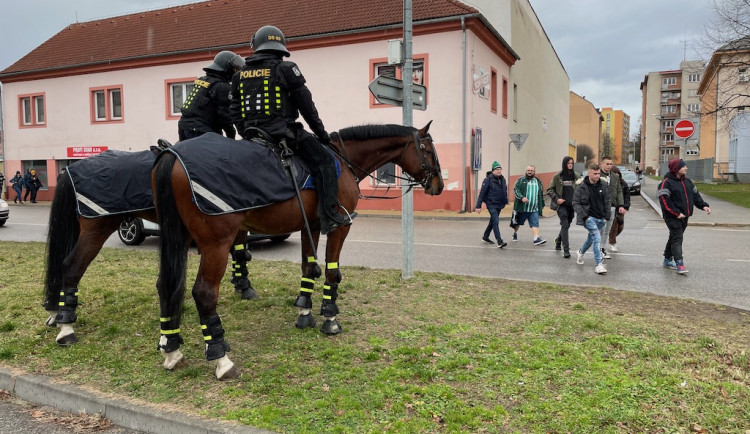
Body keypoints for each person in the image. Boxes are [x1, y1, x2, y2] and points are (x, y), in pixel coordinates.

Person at [231, 25, 354, 235]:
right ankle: (329, 216)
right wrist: (322, 135)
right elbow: (307, 107)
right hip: (285, 135)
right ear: (280, 49)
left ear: (257, 47)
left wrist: (247, 133)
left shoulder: (239, 76)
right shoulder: (286, 69)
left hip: (253, 136)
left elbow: (234, 111)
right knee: (325, 162)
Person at [658, 159, 711, 274]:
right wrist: (676, 213)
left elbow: (696, 196)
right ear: (676, 168)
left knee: (674, 237)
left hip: (684, 216)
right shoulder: (666, 183)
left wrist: (704, 206)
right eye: (683, 166)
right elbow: (664, 201)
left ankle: (667, 259)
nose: (686, 168)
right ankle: (680, 264)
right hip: (672, 217)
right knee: (677, 238)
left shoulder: (688, 182)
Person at [178, 50, 245, 141]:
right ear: (227, 68)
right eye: (234, 69)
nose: (235, 71)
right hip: (201, 131)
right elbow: (225, 117)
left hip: (184, 126)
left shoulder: (203, 80)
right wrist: (231, 137)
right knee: (218, 154)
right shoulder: (222, 87)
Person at [572, 163, 611, 275]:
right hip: (589, 218)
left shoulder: (603, 185)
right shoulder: (581, 187)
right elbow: (575, 203)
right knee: (597, 238)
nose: (597, 176)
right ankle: (599, 264)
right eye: (595, 173)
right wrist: (585, 217)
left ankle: (580, 252)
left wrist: (607, 216)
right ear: (589, 173)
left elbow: (608, 201)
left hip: (601, 218)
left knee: (592, 238)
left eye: (598, 173)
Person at [546, 156, 580, 258]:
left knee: (567, 225)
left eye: (572, 163)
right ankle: (566, 250)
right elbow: (550, 190)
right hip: (561, 206)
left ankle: (558, 240)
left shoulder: (577, 176)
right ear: (564, 164)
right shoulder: (558, 176)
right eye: (568, 163)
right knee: (565, 225)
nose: (570, 165)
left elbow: (581, 189)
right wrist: (557, 199)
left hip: (572, 206)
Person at [509, 165, 546, 245]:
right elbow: (516, 189)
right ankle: (515, 233)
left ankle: (536, 239)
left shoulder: (538, 181)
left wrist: (542, 204)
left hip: (534, 208)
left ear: (534, 172)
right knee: (518, 223)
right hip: (522, 208)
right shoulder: (521, 180)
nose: (529, 172)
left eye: (531, 170)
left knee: (535, 223)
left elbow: (540, 194)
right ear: (526, 171)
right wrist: (522, 198)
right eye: (528, 170)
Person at [475, 161, 509, 248]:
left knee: (492, 221)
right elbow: (482, 194)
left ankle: (485, 237)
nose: (499, 171)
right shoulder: (488, 180)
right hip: (491, 203)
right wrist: (478, 206)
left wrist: (505, 200)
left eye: (500, 169)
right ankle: (499, 241)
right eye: (497, 169)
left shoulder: (503, 179)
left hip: (500, 204)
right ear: (493, 170)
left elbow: (504, 191)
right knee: (496, 222)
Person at [598, 157, 625, 259]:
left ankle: (602, 249)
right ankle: (598, 248)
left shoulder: (615, 176)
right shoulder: (598, 175)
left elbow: (619, 191)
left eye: (611, 164)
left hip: (612, 206)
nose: (609, 166)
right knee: (600, 228)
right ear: (602, 164)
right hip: (600, 206)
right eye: (607, 164)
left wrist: (621, 205)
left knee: (607, 229)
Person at [607, 166, 630, 252]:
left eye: (618, 174)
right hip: (612, 207)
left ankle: (609, 237)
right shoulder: (609, 183)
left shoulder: (623, 183)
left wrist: (626, 207)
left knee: (621, 227)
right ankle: (612, 243)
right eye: (614, 174)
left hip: (621, 208)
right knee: (614, 226)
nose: (616, 176)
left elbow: (627, 196)